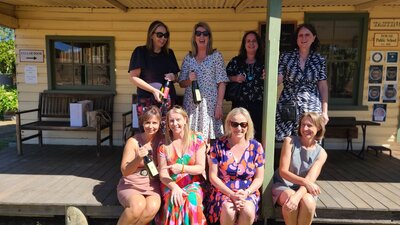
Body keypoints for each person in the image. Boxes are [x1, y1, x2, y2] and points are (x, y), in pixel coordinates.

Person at [207, 107, 265, 225]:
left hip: (247, 192)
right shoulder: (219, 145)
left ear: (248, 126)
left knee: (248, 210)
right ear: (229, 124)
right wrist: (231, 194)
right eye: (235, 124)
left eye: (243, 124)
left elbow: (259, 178)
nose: (239, 128)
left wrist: (246, 193)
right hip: (223, 191)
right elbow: (213, 176)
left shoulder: (256, 147)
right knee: (229, 210)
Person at [272, 112, 328, 225]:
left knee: (308, 202)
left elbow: (310, 179)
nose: (305, 128)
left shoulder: (321, 153)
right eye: (303, 125)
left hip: (304, 188)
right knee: (290, 201)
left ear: (318, 127)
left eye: (309, 125)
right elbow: (283, 172)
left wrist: (297, 196)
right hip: (283, 184)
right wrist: (304, 184)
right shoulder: (290, 142)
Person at [276, 23, 329, 141]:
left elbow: (323, 86)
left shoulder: (319, 60)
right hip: (289, 105)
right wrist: (269, 77)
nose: (303, 38)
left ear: (314, 38)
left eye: (307, 35)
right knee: (288, 141)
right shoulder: (286, 57)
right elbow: (278, 79)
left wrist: (325, 111)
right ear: (296, 39)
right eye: (300, 35)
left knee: (310, 141)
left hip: (311, 106)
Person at [179, 21, 229, 143]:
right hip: (191, 106)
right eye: (198, 33)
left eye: (205, 34)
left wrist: (219, 106)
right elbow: (181, 83)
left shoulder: (216, 56)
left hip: (210, 106)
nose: (202, 37)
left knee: (209, 141)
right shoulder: (188, 58)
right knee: (191, 140)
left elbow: (222, 82)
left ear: (209, 37)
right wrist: (189, 80)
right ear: (194, 37)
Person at [156, 106, 207, 225]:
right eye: (171, 121)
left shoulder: (197, 140)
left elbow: (200, 167)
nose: (175, 123)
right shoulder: (164, 146)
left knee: (191, 201)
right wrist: (174, 188)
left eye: (178, 119)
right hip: (170, 183)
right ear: (168, 124)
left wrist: (182, 168)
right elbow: (163, 174)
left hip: (193, 183)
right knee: (173, 202)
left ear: (185, 120)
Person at [116, 106, 163, 225]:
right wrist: (138, 158)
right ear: (142, 123)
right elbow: (125, 171)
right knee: (138, 206)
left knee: (152, 207)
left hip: (152, 184)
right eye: (147, 122)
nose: (151, 126)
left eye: (154, 123)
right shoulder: (133, 141)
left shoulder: (162, 140)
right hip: (132, 184)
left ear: (159, 123)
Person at [129, 20, 180, 117]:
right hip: (147, 103)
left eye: (166, 35)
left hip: (167, 102)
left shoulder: (169, 53)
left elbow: (176, 77)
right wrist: (154, 90)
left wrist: (174, 77)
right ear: (151, 35)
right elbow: (133, 77)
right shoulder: (140, 52)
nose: (163, 38)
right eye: (159, 35)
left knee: (167, 131)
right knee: (149, 131)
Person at [226, 31, 265, 141]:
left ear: (258, 44)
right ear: (244, 44)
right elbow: (224, 77)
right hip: (240, 104)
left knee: (256, 133)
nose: (251, 43)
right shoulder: (236, 61)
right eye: (248, 41)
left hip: (258, 104)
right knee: (238, 132)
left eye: (254, 41)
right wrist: (235, 78)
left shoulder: (264, 62)